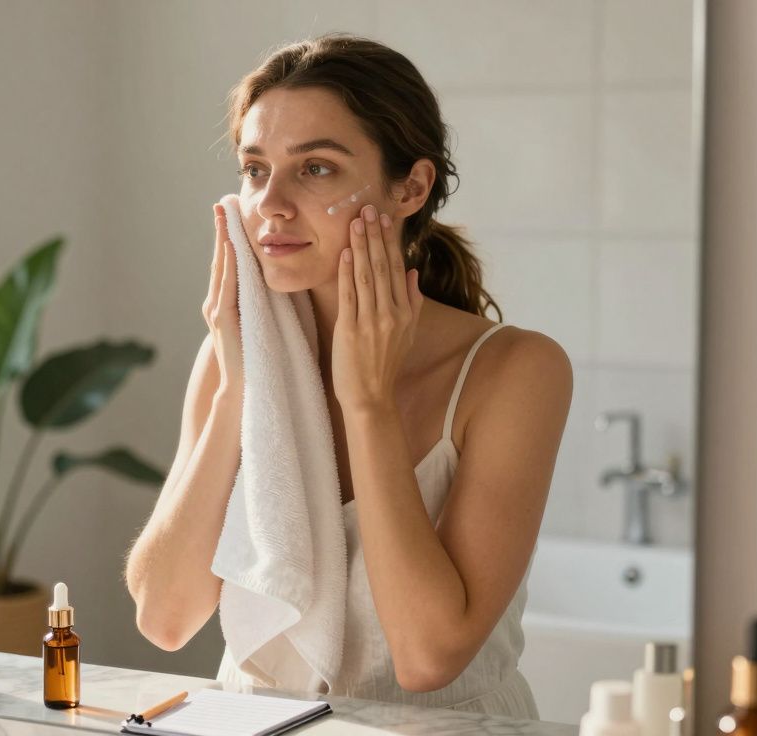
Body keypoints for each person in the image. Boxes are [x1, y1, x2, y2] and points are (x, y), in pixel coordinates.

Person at [125, 35, 573, 717]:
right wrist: (237, 388)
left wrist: (367, 405)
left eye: (317, 170)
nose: (270, 203)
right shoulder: (234, 351)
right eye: (254, 169)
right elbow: (165, 618)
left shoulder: (515, 372)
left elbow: (427, 658)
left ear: (411, 187)